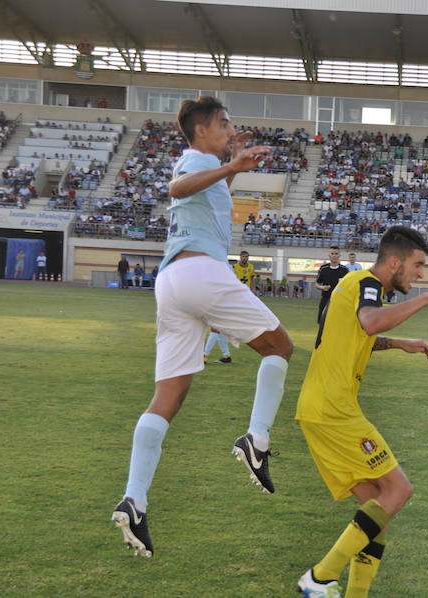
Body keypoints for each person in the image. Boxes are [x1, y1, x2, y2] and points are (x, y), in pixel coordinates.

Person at [111, 95, 293, 558]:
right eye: (224, 124)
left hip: (172, 282)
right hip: (200, 273)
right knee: (280, 347)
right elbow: (178, 188)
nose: (232, 130)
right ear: (201, 131)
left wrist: (234, 166)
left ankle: (135, 500)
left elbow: (203, 194)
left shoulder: (208, 162)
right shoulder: (193, 159)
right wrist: (228, 163)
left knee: (168, 397)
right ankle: (257, 438)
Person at [295, 226, 428, 598]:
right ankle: (320, 576)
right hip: (334, 410)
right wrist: (425, 301)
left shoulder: (353, 285)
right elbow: (370, 321)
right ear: (395, 262)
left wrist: (397, 344)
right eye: (418, 265)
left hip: (317, 407)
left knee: (378, 513)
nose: (421, 274)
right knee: (398, 490)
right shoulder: (366, 283)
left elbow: (350, 334)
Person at [315, 245, 348, 322]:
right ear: (329, 255)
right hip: (325, 299)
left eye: (336, 254)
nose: (334, 256)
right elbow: (317, 284)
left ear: (339, 255)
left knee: (337, 323)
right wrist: (322, 287)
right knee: (322, 323)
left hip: (339, 301)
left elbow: (347, 286)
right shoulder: (323, 269)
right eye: (332, 253)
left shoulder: (344, 270)